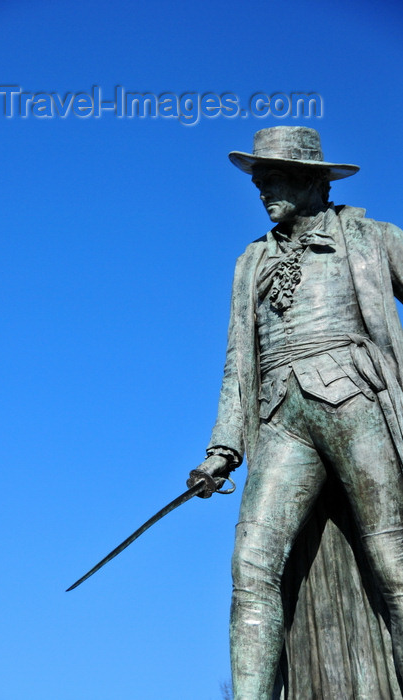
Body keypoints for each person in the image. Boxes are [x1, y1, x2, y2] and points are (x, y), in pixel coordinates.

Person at [187, 126, 403, 699]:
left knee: (395, 562)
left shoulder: (373, 237)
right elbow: (238, 362)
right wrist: (222, 449)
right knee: (251, 570)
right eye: (259, 181)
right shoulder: (251, 262)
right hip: (280, 416)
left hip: (356, 398)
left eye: (275, 178)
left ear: (311, 180)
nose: (263, 191)